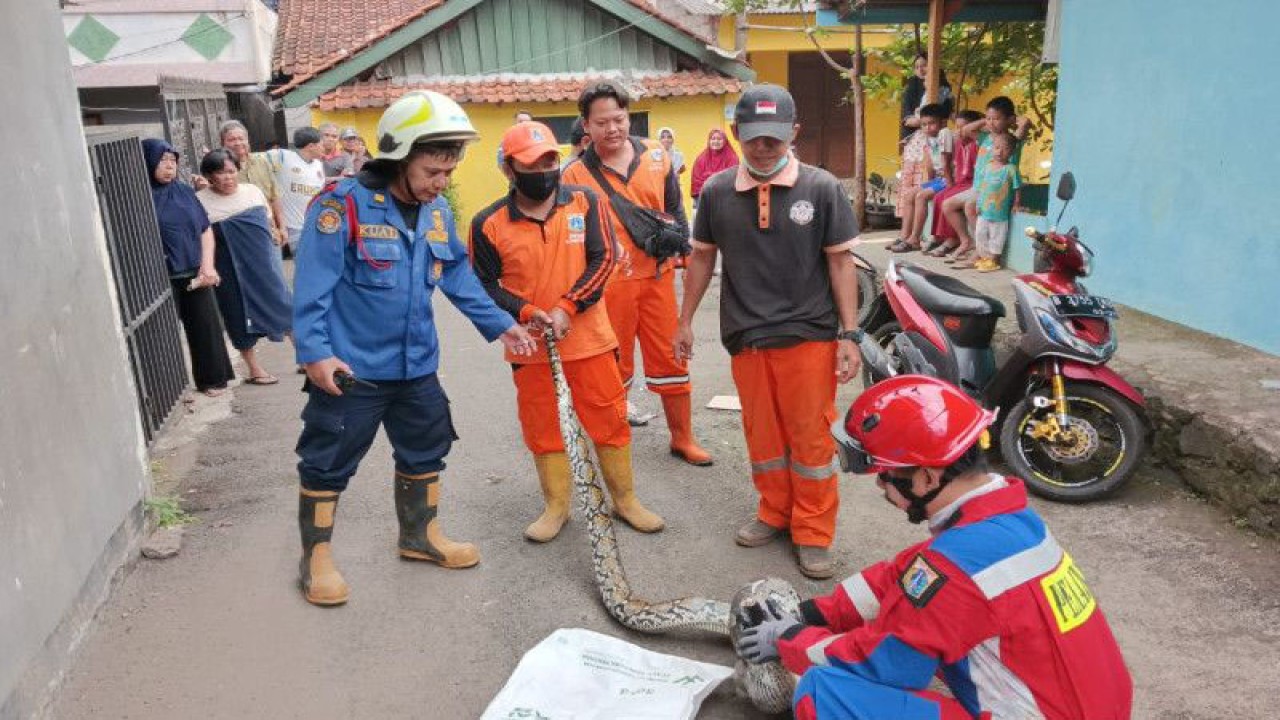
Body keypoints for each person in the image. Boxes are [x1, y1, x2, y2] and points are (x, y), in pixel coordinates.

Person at [735, 374, 1133, 719]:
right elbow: (903, 576)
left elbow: (888, 664)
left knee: (824, 691)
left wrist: (789, 640)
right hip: (1091, 706)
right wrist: (811, 613)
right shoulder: (1009, 523)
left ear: (926, 478)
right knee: (912, 607)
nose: (880, 486)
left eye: (885, 476)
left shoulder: (954, 570)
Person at [291, 90, 535, 606]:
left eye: (448, 172)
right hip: (351, 369)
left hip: (416, 364)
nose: (440, 183)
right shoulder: (340, 207)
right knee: (327, 459)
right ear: (399, 158)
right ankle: (315, 559)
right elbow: (311, 287)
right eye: (431, 172)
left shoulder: (438, 212)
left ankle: (420, 537)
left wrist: (501, 325)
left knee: (426, 449)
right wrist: (315, 354)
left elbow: (459, 276)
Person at [674, 85, 862, 579]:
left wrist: (850, 335)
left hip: (809, 337)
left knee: (811, 441)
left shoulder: (821, 189)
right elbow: (701, 258)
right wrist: (684, 321)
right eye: (754, 138)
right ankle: (775, 512)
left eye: (774, 139)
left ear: (794, 133)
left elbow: (841, 264)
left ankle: (814, 532)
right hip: (746, 336)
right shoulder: (715, 192)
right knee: (763, 436)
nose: (763, 147)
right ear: (736, 134)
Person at [471, 121, 665, 541]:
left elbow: (605, 258)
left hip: (591, 340)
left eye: (549, 160)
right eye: (531, 164)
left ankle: (626, 500)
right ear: (508, 169)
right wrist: (524, 310)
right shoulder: (488, 222)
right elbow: (484, 284)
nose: (543, 170)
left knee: (609, 420)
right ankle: (556, 507)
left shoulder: (585, 202)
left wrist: (566, 307)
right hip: (530, 348)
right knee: (543, 427)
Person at [563, 80, 712, 466]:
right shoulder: (574, 176)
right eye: (601, 122)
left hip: (658, 279)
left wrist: (683, 251)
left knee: (673, 359)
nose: (612, 129)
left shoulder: (657, 157)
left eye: (619, 119)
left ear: (628, 116)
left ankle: (683, 438)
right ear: (586, 126)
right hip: (608, 286)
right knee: (614, 368)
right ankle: (616, 445)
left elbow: (676, 210)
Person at [142, 139, 234, 397]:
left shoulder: (183, 192)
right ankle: (165, 392)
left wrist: (207, 266)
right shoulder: (140, 196)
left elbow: (205, 229)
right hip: (160, 277)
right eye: (163, 161)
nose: (170, 167)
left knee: (206, 328)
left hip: (194, 272)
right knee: (163, 335)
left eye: (173, 161)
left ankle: (212, 380)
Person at [196, 149, 293, 385]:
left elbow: (267, 221)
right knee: (235, 312)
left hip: (262, 262)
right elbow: (199, 235)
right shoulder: (200, 201)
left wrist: (276, 233)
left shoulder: (252, 191)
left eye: (231, 171)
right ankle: (255, 369)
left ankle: (306, 359)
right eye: (220, 173)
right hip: (228, 266)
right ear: (209, 177)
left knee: (284, 305)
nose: (228, 177)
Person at [941, 96, 1032, 267]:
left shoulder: (1013, 141)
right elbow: (965, 130)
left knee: (970, 207)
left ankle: (980, 251)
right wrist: (987, 119)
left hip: (996, 189)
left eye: (997, 118)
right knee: (948, 205)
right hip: (979, 187)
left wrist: (1013, 120)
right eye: (989, 118)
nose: (991, 122)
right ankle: (968, 241)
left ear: (1009, 119)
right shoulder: (984, 137)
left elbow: (1025, 122)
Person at [890, 103, 952, 252]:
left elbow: (946, 162)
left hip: (947, 179)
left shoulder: (945, 134)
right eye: (924, 124)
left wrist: (948, 182)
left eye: (932, 123)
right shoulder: (930, 138)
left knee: (921, 196)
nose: (927, 128)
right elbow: (930, 162)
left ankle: (915, 239)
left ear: (942, 123)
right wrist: (928, 181)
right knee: (909, 194)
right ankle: (904, 235)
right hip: (937, 180)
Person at [218, 120, 289, 245]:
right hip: (240, 235)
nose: (238, 143)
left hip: (271, 231)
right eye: (232, 139)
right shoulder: (219, 169)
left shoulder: (262, 162)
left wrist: (282, 227)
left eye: (241, 138)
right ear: (223, 143)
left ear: (247, 140)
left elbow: (274, 197)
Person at [924, 109, 982, 257]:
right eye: (957, 127)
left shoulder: (978, 144)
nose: (959, 132)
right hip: (960, 183)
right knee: (939, 196)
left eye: (963, 128)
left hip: (971, 184)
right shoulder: (959, 145)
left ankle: (953, 239)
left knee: (945, 198)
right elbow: (949, 164)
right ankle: (940, 236)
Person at [265, 127, 326, 256]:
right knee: (305, 266)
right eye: (321, 144)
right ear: (311, 146)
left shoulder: (318, 165)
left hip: (316, 226)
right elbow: (252, 160)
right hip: (294, 228)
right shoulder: (282, 156)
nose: (323, 147)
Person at [968, 132, 1019, 272]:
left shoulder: (1011, 169)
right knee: (980, 234)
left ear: (1012, 152)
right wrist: (978, 204)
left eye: (1005, 149)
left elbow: (1016, 188)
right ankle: (985, 258)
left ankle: (994, 261)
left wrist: (1016, 204)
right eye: (996, 147)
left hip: (1000, 212)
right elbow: (982, 188)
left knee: (998, 236)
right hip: (984, 210)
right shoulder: (987, 167)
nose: (999, 152)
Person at [899, 53, 953, 145]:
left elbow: (945, 114)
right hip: (913, 136)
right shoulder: (911, 85)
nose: (920, 70)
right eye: (916, 67)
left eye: (924, 65)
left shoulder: (944, 89)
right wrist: (928, 122)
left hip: (936, 136)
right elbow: (907, 118)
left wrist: (926, 121)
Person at [689, 128, 738, 209]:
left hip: (725, 199)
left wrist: (710, 178)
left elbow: (732, 178)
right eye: (713, 139)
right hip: (703, 198)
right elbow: (696, 180)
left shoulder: (732, 157)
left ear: (724, 141)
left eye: (719, 139)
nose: (716, 141)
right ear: (709, 141)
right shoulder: (701, 158)